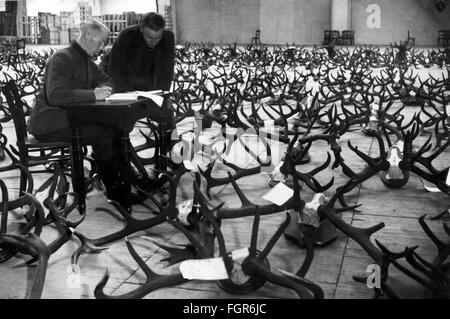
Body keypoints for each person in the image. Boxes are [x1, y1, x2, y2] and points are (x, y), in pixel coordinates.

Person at [28, 19, 123, 203]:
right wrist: (94, 95)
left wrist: (105, 88)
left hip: (70, 120)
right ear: (87, 35)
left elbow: (108, 80)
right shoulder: (62, 58)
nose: (103, 46)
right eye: (101, 41)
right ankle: (115, 192)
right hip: (50, 124)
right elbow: (56, 95)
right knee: (103, 134)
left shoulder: (86, 61)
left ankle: (125, 181)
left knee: (116, 128)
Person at [106, 12, 177, 187]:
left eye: (157, 38)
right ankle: (127, 170)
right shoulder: (127, 36)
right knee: (120, 126)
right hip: (125, 86)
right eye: (149, 37)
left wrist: (162, 95)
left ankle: (174, 158)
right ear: (141, 29)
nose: (153, 42)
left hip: (150, 87)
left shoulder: (168, 38)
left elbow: (167, 70)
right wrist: (124, 99)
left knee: (168, 117)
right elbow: (115, 69)